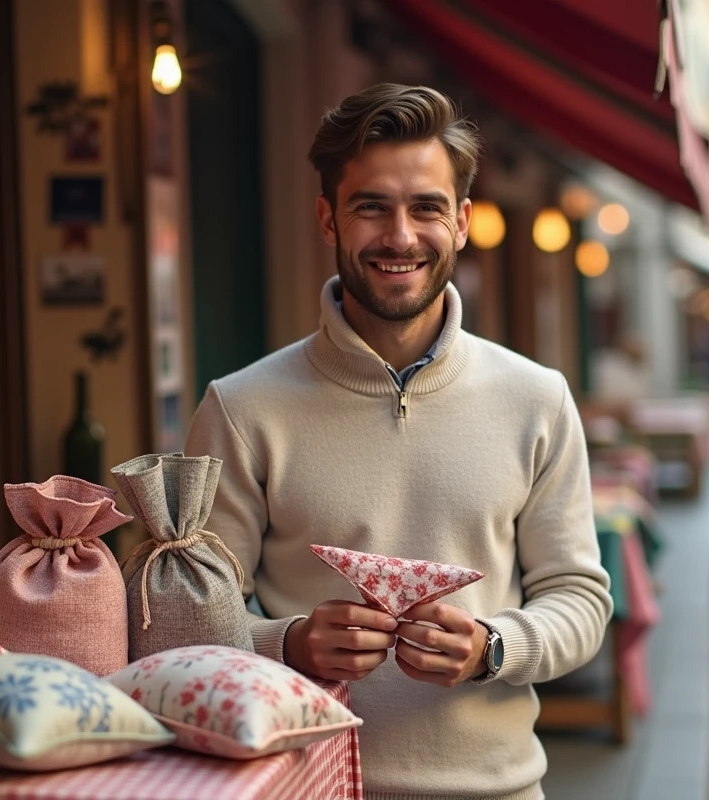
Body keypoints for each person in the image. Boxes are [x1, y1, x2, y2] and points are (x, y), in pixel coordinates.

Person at [184, 84, 611, 800]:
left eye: (426, 208)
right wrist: (286, 643)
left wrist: (492, 648)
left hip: (499, 790)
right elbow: (190, 615)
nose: (401, 236)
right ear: (328, 218)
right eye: (371, 206)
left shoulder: (537, 398)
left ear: (464, 221)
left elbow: (580, 599)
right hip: (304, 786)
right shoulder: (239, 407)